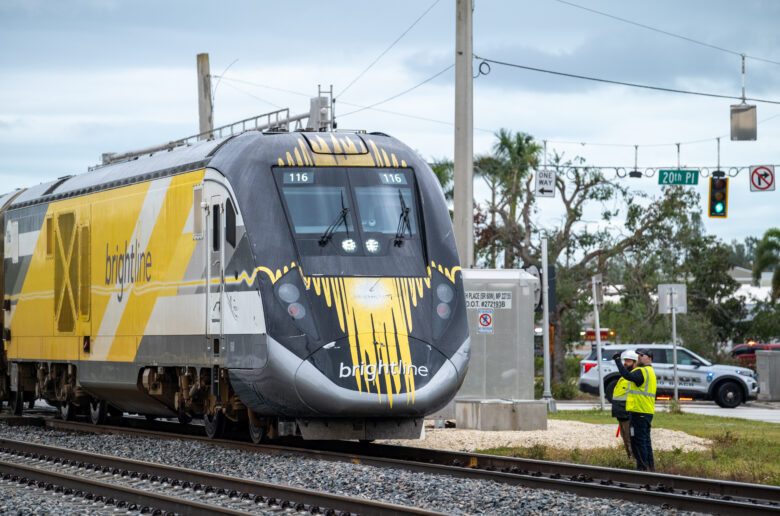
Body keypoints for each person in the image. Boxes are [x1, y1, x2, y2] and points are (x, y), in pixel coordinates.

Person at [612, 347, 656, 471]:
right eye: (638, 355)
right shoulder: (650, 372)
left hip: (639, 413)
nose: (639, 356)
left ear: (649, 359)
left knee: (638, 442)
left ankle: (642, 469)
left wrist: (617, 360)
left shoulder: (642, 371)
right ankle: (650, 468)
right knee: (645, 442)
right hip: (645, 412)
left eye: (642, 355)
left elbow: (626, 374)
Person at [611, 350, 638, 459]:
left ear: (635, 362)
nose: (625, 363)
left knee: (630, 440)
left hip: (628, 415)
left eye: (628, 361)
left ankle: (635, 463)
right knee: (626, 441)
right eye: (624, 360)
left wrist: (618, 361)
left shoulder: (634, 376)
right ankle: (630, 460)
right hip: (621, 414)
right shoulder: (624, 377)